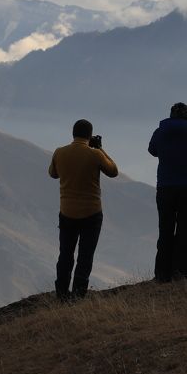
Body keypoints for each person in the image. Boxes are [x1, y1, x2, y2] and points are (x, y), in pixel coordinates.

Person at [48, 119, 119, 300]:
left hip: (67, 212)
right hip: (91, 213)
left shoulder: (59, 152)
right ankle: (78, 295)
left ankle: (62, 293)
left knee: (65, 254)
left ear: (73, 133)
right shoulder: (95, 155)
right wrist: (100, 148)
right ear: (89, 135)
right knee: (85, 255)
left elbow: (52, 173)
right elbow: (113, 171)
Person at [148, 102, 187, 282]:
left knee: (165, 229)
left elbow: (152, 150)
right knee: (184, 229)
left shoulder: (160, 132)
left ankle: (161, 274)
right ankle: (180, 272)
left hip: (165, 186)